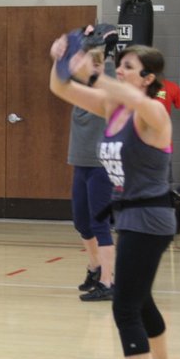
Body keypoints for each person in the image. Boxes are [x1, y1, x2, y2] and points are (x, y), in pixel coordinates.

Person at [50, 34, 180, 359]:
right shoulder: (115, 109)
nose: (120, 70)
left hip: (151, 219)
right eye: (119, 64)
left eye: (128, 67)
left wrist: (89, 72)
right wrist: (60, 60)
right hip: (131, 218)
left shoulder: (153, 111)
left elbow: (133, 99)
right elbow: (60, 88)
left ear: (147, 78)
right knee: (139, 299)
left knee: (124, 308)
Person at [69, 48, 116, 302]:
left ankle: (109, 281)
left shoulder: (106, 93)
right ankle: (95, 266)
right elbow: (62, 77)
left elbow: (109, 76)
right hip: (80, 164)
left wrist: (104, 53)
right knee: (81, 222)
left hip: (101, 166)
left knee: (100, 224)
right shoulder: (80, 92)